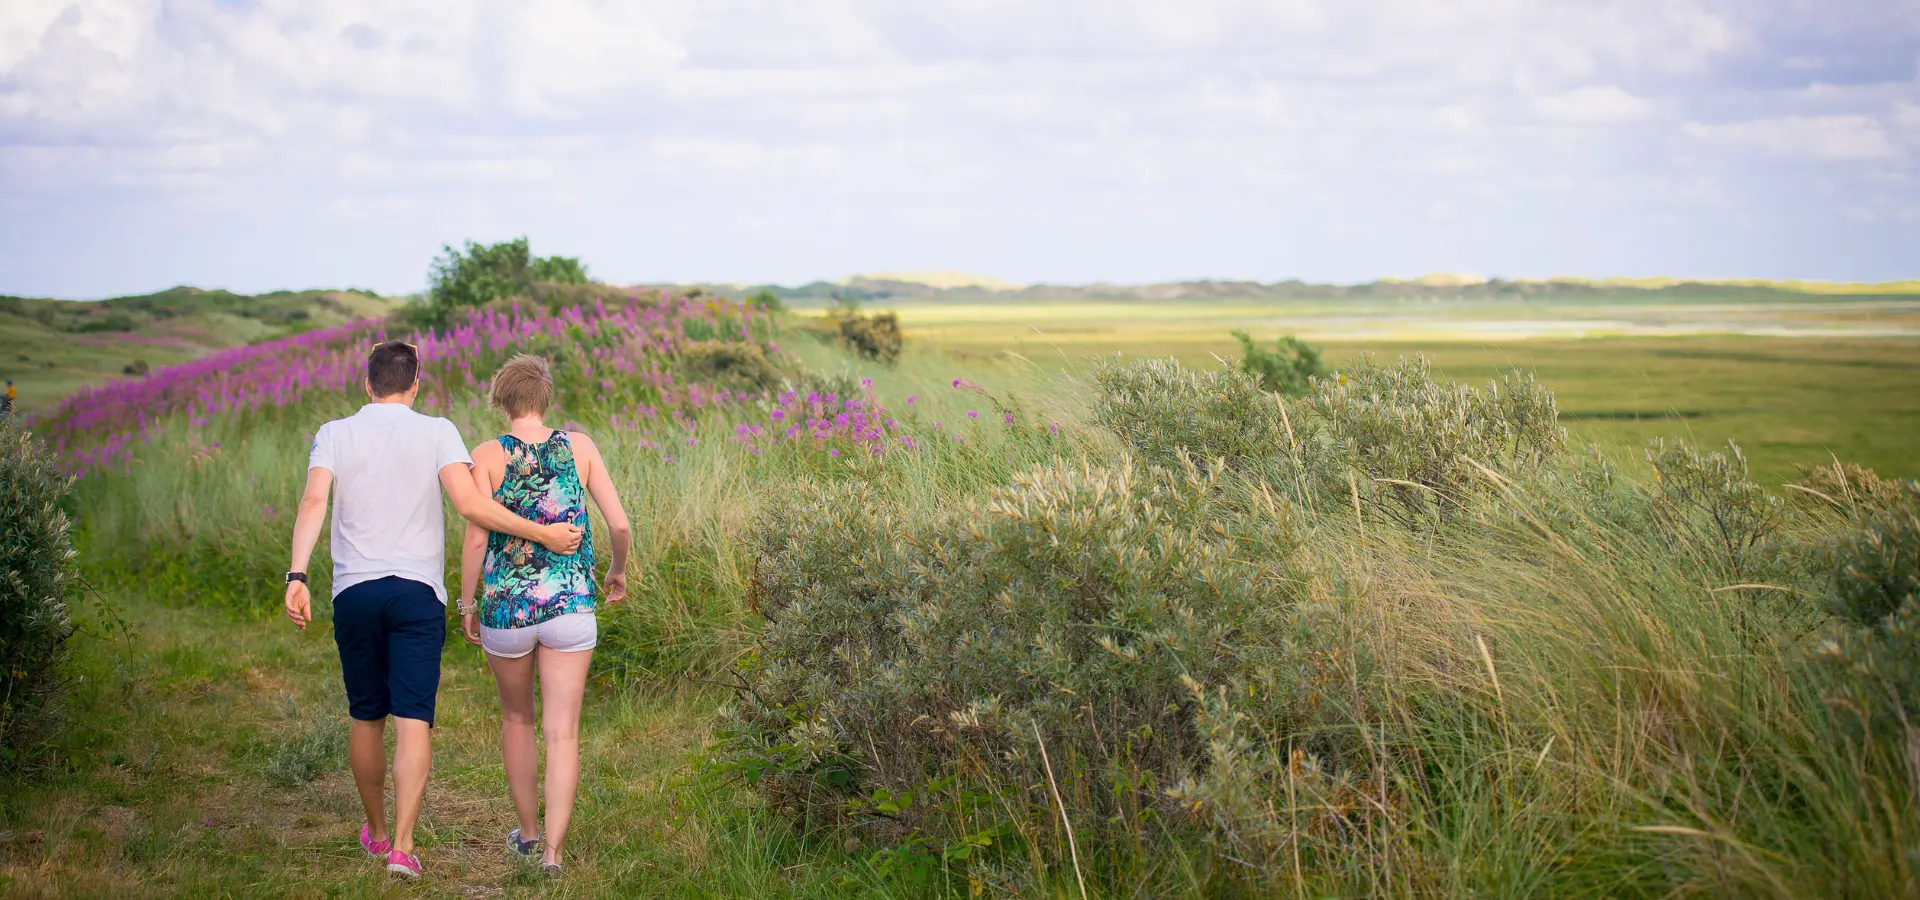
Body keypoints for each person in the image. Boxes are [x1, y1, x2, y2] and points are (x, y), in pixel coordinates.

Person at [283, 340, 583, 880]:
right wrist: (542, 533)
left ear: (367, 385)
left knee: (366, 713)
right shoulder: (439, 430)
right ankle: (403, 846)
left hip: (354, 592)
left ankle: (374, 834)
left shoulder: (334, 433)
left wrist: (297, 575)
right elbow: (471, 506)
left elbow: (312, 502)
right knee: (413, 716)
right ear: (415, 384)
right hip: (417, 593)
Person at [456, 354, 630, 877]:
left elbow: (476, 534)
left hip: (507, 609)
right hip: (571, 604)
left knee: (516, 717)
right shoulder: (580, 447)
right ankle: (554, 855)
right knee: (563, 731)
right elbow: (619, 525)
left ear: (503, 401)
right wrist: (616, 573)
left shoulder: (485, 455)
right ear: (545, 397)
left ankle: (528, 837)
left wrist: (468, 603)